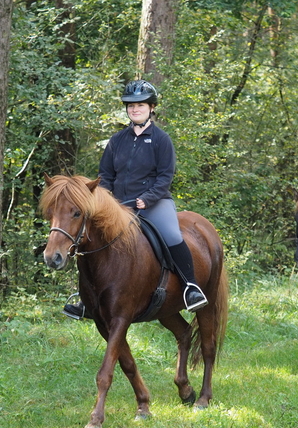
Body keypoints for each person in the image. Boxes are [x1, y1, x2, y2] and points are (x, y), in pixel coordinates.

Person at [63, 79, 208, 319]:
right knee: (88, 238)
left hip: (154, 202)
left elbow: (165, 176)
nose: (135, 109)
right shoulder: (117, 140)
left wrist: (147, 198)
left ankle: (190, 287)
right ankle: (85, 299)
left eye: (140, 105)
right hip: (117, 205)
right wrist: (107, 200)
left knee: (172, 235)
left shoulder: (161, 140)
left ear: (152, 108)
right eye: (130, 106)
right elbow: (106, 176)